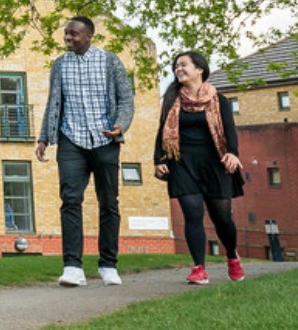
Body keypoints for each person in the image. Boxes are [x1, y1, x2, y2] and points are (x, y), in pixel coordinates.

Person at [35, 16, 136, 287]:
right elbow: (53, 103)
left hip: (105, 140)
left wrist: (120, 125)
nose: (68, 38)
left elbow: (126, 99)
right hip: (71, 140)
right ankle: (72, 267)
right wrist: (44, 137)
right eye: (66, 33)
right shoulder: (59, 65)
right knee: (70, 200)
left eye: (74, 34)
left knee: (108, 202)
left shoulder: (110, 61)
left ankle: (108, 265)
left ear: (89, 36)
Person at [153, 51, 245, 284]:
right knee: (192, 213)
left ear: (200, 69)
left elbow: (229, 129)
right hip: (182, 163)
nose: (178, 69)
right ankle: (198, 268)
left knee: (221, 218)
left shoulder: (218, 100)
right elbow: (162, 132)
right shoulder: (172, 100)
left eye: (183, 65)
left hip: (215, 162)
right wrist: (159, 160)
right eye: (175, 67)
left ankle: (232, 257)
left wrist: (233, 153)